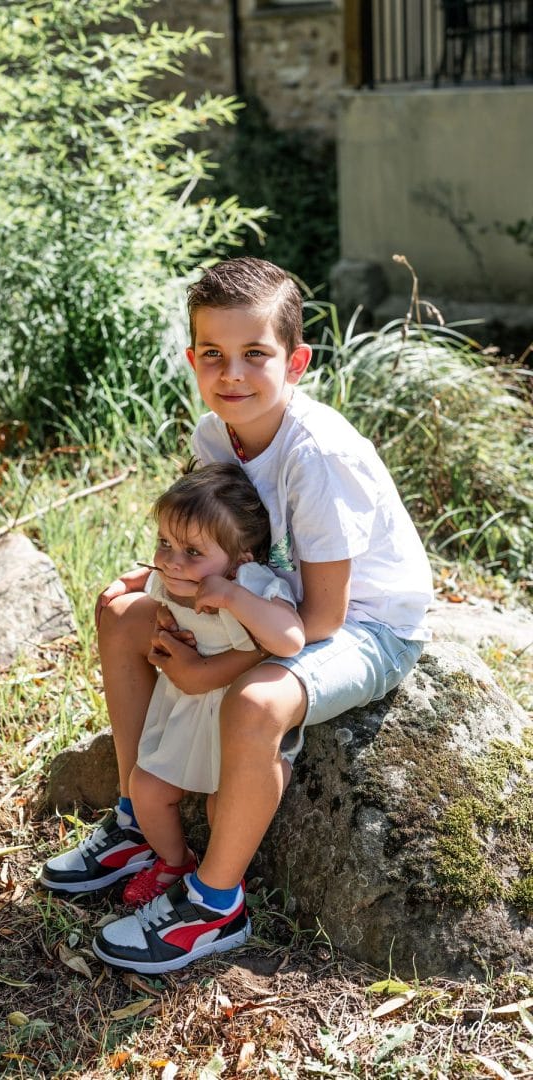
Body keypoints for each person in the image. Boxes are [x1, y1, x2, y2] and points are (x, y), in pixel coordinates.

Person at [40, 256, 433, 976]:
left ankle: (214, 903)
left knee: (254, 702)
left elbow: (322, 618)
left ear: (296, 362)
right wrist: (166, 573)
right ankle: (137, 819)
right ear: (193, 359)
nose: (233, 374)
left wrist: (214, 668)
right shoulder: (216, 436)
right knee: (122, 613)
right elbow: (219, 539)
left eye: (256, 353)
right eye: (214, 354)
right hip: (261, 595)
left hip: (364, 624)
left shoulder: (316, 457)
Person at [122, 463, 304, 908]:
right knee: (146, 788)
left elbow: (291, 639)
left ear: (241, 556)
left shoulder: (252, 583)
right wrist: (165, 624)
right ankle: (174, 861)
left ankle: (222, 877)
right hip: (186, 712)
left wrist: (232, 597)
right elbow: (161, 605)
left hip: (235, 720)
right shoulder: (171, 580)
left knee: (221, 807)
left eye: (192, 551)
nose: (172, 560)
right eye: (165, 543)